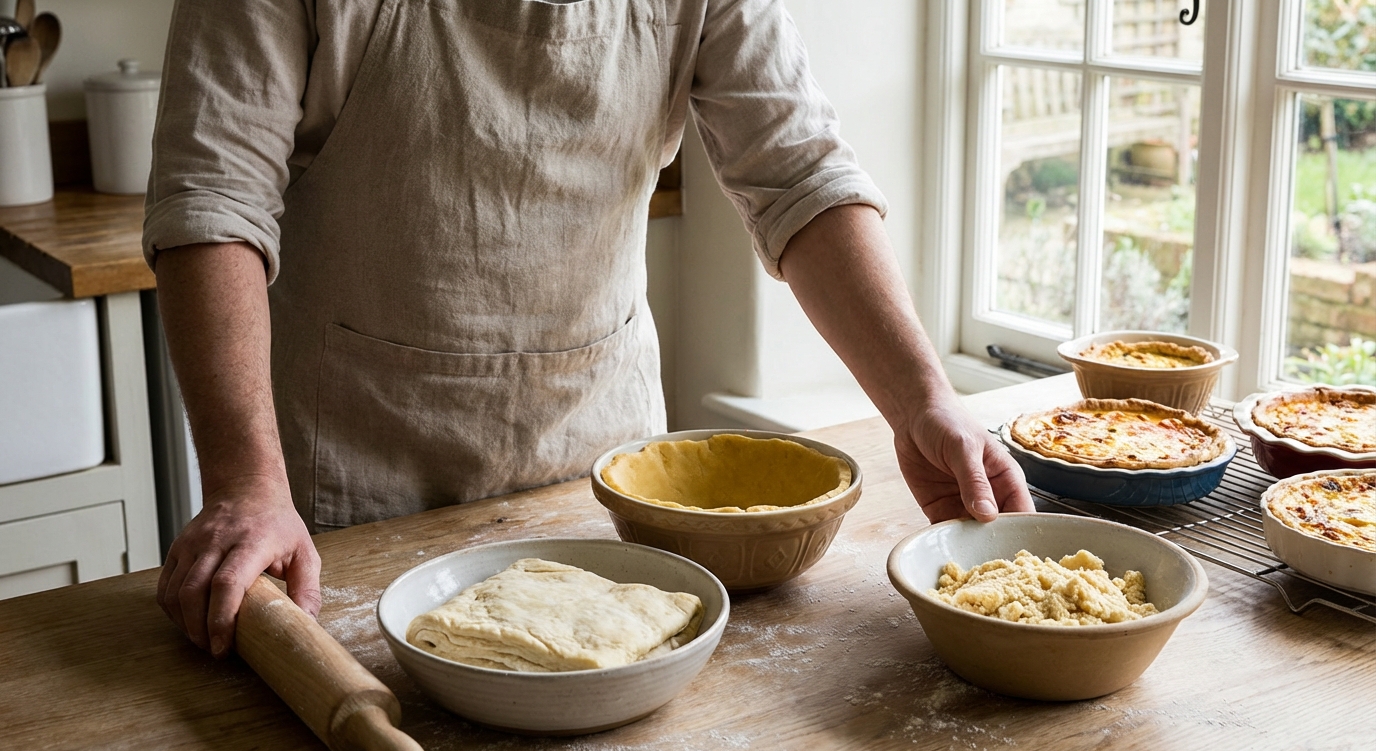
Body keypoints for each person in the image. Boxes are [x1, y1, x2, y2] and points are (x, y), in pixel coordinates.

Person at [146, 0, 1033, 659]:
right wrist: (242, 481)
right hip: (354, 479)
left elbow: (800, 174)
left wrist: (922, 397)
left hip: (604, 472)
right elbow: (213, 201)